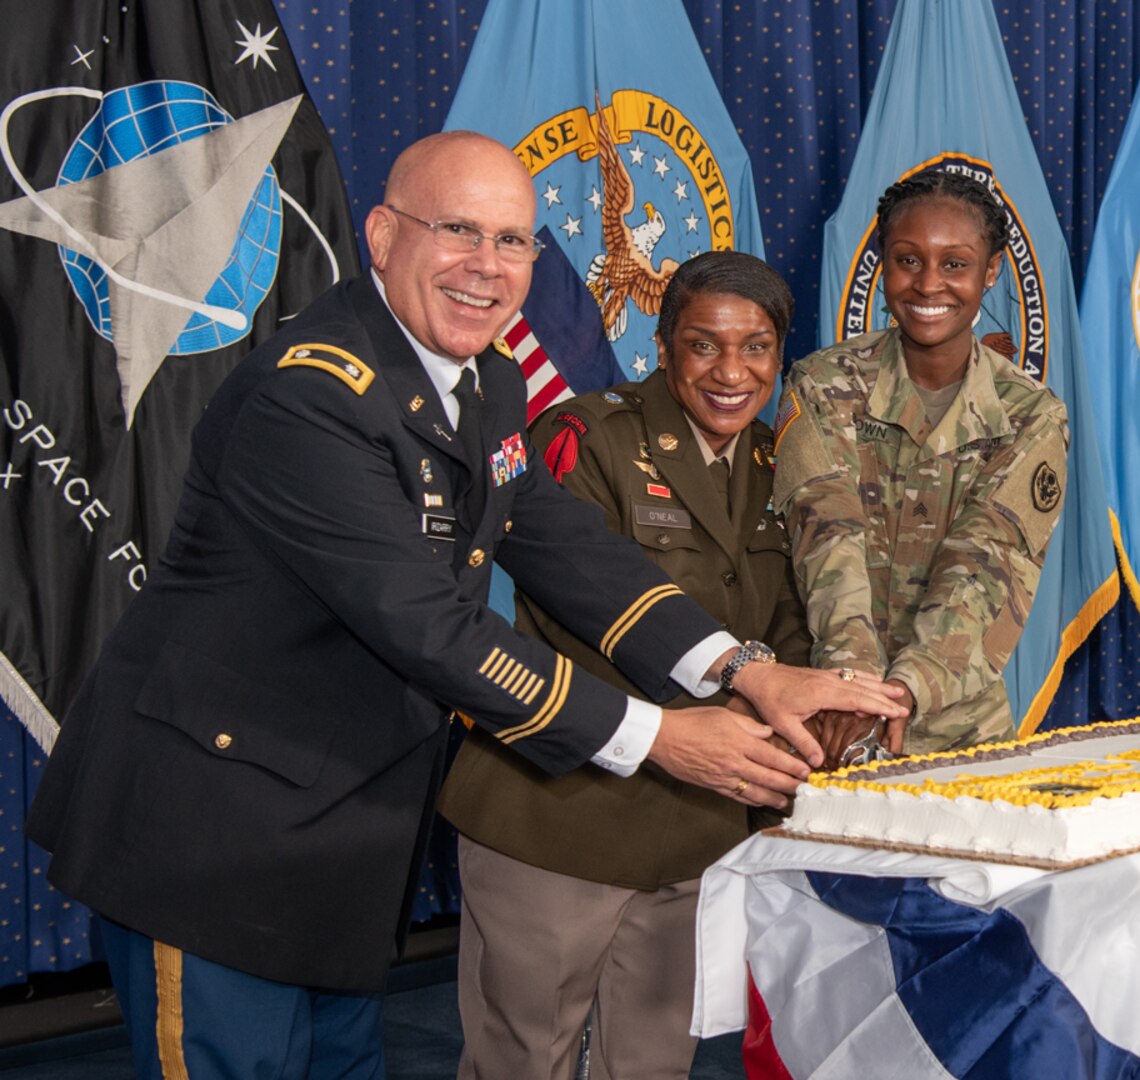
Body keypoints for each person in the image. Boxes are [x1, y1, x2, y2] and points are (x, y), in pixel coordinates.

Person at [25, 132, 904, 1079]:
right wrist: (661, 736)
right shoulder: (312, 398)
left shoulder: (487, 379)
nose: (487, 267)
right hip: (213, 838)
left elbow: (559, 544)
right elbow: (426, 626)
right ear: (381, 235)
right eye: (457, 231)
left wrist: (745, 668)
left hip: (340, 836)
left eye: (514, 240)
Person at [440, 250, 805, 1079]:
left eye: (755, 348)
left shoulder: (774, 464)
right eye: (704, 344)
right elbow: (582, 613)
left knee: (651, 1065)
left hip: (697, 826)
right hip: (561, 816)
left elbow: (786, 618)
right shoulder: (587, 437)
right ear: (663, 343)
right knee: (522, 1061)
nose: (731, 371)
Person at [774, 170, 1069, 760]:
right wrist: (853, 690)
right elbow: (827, 539)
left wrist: (904, 692)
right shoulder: (821, 384)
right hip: (826, 715)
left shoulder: (1031, 416)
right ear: (883, 265)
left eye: (955, 264)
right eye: (908, 260)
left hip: (957, 729)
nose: (928, 283)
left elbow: (986, 569)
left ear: (990, 273)